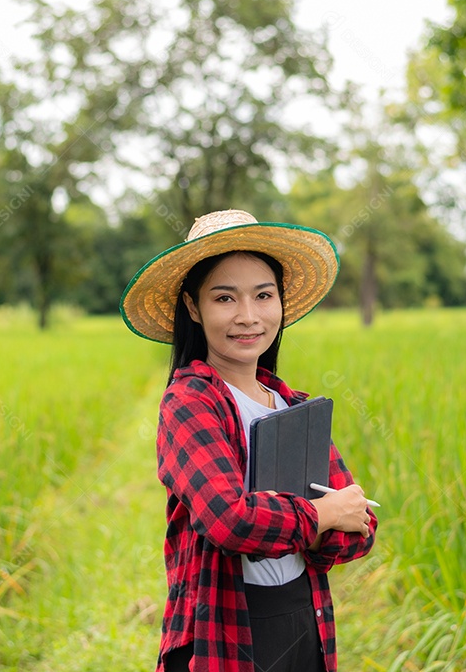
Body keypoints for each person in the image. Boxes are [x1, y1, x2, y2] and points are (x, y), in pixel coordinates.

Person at [120, 209, 378, 672]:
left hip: (305, 621)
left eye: (263, 295)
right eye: (225, 298)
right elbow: (229, 521)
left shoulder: (293, 407)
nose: (248, 316)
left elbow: (358, 532)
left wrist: (327, 522)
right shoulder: (190, 403)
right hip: (225, 630)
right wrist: (320, 515)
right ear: (193, 308)